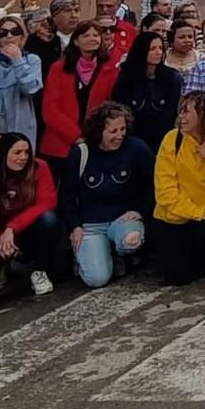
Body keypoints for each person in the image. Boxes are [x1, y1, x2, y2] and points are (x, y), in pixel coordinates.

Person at [58, 101, 154, 288]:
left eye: (122, 129)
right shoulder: (81, 154)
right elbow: (66, 195)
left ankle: (119, 253)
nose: (119, 136)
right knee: (96, 279)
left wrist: (141, 211)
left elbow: (153, 183)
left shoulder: (137, 148)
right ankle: (90, 257)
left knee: (131, 241)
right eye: (113, 132)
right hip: (90, 225)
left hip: (122, 220)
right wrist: (74, 226)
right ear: (98, 131)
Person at [150, 92, 205, 284]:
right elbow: (165, 195)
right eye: (181, 111)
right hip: (175, 216)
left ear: (204, 115)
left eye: (186, 112)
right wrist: (199, 212)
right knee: (178, 277)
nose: (181, 116)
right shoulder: (171, 140)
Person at [41, 20, 120, 176]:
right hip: (60, 143)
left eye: (96, 35)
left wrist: (94, 136)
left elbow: (111, 105)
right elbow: (50, 109)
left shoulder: (110, 68)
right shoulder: (58, 68)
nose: (92, 38)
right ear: (76, 41)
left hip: (95, 142)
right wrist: (76, 136)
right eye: (86, 35)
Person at [0, 133, 62, 295]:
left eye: (26, 152)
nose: (23, 157)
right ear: (4, 153)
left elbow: (47, 202)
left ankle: (39, 271)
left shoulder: (39, 166)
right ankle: (0, 263)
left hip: (26, 230)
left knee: (49, 219)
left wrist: (12, 228)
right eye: (17, 153)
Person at [0, 15, 44, 144]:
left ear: (22, 36)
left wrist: (17, 61)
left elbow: (30, 89)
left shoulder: (32, 60)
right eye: (3, 33)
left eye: (15, 32)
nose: (9, 36)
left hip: (21, 129)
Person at [113, 28, 184, 151]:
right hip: (131, 139)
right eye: (152, 49)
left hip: (161, 139)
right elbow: (120, 108)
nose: (158, 52)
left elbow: (170, 114)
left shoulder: (172, 78)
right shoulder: (126, 77)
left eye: (161, 48)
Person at [25, 0, 80, 71]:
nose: (74, 15)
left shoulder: (84, 36)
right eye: (67, 11)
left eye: (76, 10)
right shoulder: (38, 39)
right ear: (54, 16)